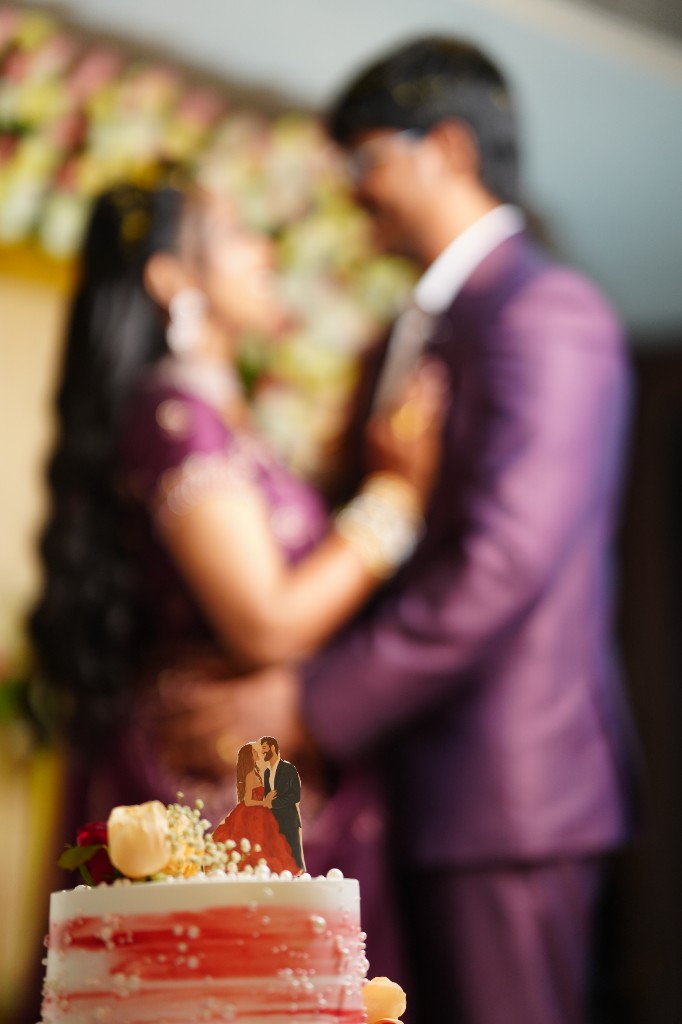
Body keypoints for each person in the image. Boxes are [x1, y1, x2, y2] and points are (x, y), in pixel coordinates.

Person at [22, 179, 444, 1024]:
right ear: (172, 278)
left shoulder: (222, 419)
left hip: (265, 789)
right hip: (205, 802)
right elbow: (266, 620)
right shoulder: (174, 416)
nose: (266, 252)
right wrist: (398, 496)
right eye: (238, 233)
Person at [291, 36, 638, 1024]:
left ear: (445, 146)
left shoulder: (547, 313)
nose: (354, 194)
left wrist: (313, 702)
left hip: (502, 795)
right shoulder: (408, 328)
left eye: (365, 162)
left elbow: (504, 558)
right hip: (402, 778)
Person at [212, 741, 300, 875]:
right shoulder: (251, 776)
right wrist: (265, 801)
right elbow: (248, 800)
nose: (259, 754)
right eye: (255, 752)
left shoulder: (258, 773)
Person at [259, 734, 305, 871]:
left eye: (265, 749)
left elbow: (295, 795)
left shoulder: (289, 770)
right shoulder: (266, 773)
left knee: (293, 859)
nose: (263, 752)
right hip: (271, 820)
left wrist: (276, 802)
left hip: (288, 819)